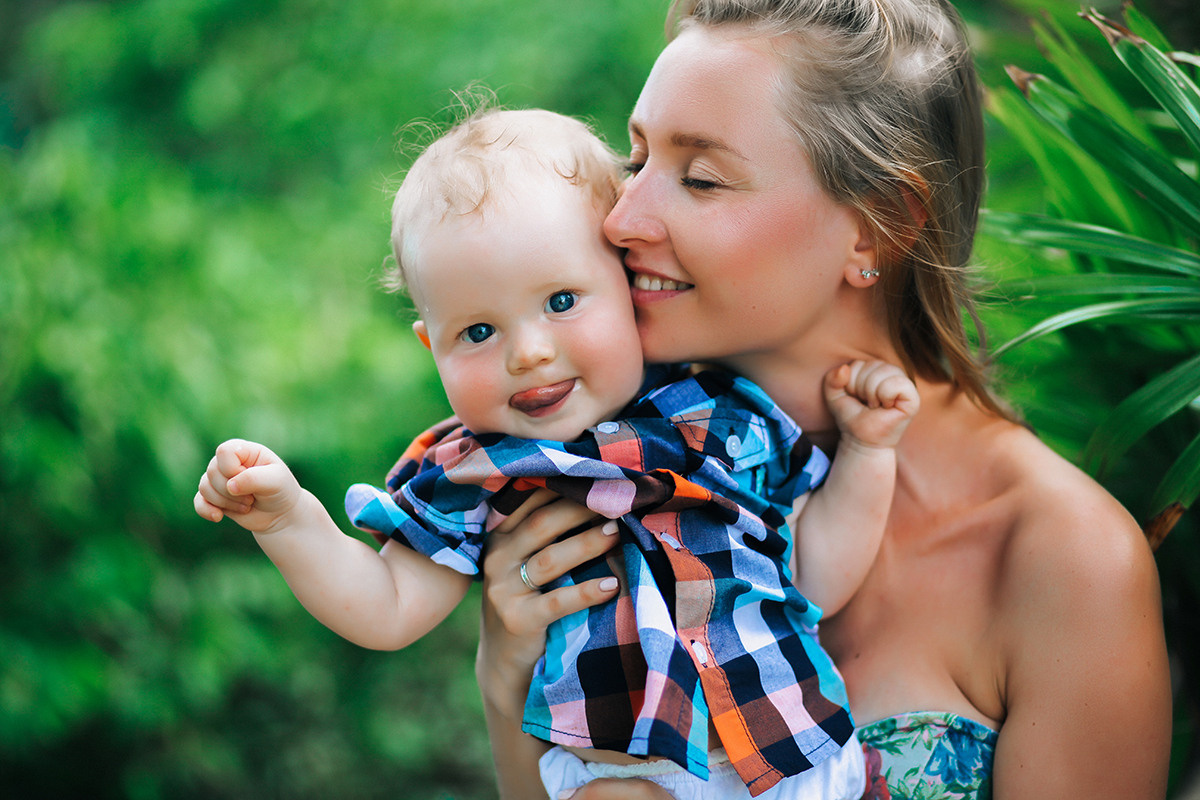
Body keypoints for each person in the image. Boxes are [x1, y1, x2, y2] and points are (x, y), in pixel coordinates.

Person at [473, 1, 1174, 798]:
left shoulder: (1062, 559)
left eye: (700, 177)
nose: (623, 219)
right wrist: (505, 675)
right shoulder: (608, 478)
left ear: (878, 225)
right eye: (635, 163)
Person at [194, 107, 921, 799]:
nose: (529, 353)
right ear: (431, 348)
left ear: (631, 287)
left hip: (791, 751)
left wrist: (867, 450)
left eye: (563, 301)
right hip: (627, 776)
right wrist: (290, 522)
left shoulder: (718, 417)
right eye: (477, 333)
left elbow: (814, 574)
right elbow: (386, 609)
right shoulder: (472, 472)